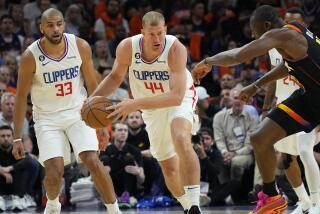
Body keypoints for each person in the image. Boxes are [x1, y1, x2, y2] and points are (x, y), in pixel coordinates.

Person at [192, 4, 320, 213]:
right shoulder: (294, 31)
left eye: (254, 30)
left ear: (267, 25)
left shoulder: (282, 35)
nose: (252, 34)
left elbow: (238, 55)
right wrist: (255, 85)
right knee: (259, 137)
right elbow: (288, 66)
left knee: (304, 152)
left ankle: (314, 202)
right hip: (310, 97)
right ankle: (272, 196)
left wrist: (207, 61)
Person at [12, 8, 121, 214]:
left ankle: (114, 210)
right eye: (50, 25)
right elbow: (19, 97)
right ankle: (53, 205)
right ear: (41, 27)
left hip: (79, 112)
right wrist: (17, 138)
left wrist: (103, 124)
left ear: (64, 24)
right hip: (47, 117)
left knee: (93, 161)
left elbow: (92, 84)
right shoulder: (30, 56)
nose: (56, 29)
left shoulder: (79, 46)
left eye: (59, 24)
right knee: (55, 170)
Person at [92, 11, 201, 214]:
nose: (157, 38)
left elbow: (176, 97)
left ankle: (195, 205)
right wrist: (93, 99)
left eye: (160, 33)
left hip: (179, 99)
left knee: (180, 137)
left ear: (165, 30)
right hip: (151, 109)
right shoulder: (127, 47)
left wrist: (133, 104)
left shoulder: (175, 48)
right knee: (168, 167)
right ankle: (187, 206)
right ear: (142, 32)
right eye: (152, 34)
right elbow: (115, 77)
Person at [260, 7, 320, 214]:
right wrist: (266, 108)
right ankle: (303, 201)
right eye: (286, 22)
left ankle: (316, 203)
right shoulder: (272, 45)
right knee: (286, 157)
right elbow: (273, 80)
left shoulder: (312, 47)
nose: (289, 28)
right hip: (283, 105)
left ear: (305, 26)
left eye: (294, 23)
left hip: (308, 104)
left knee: (305, 151)